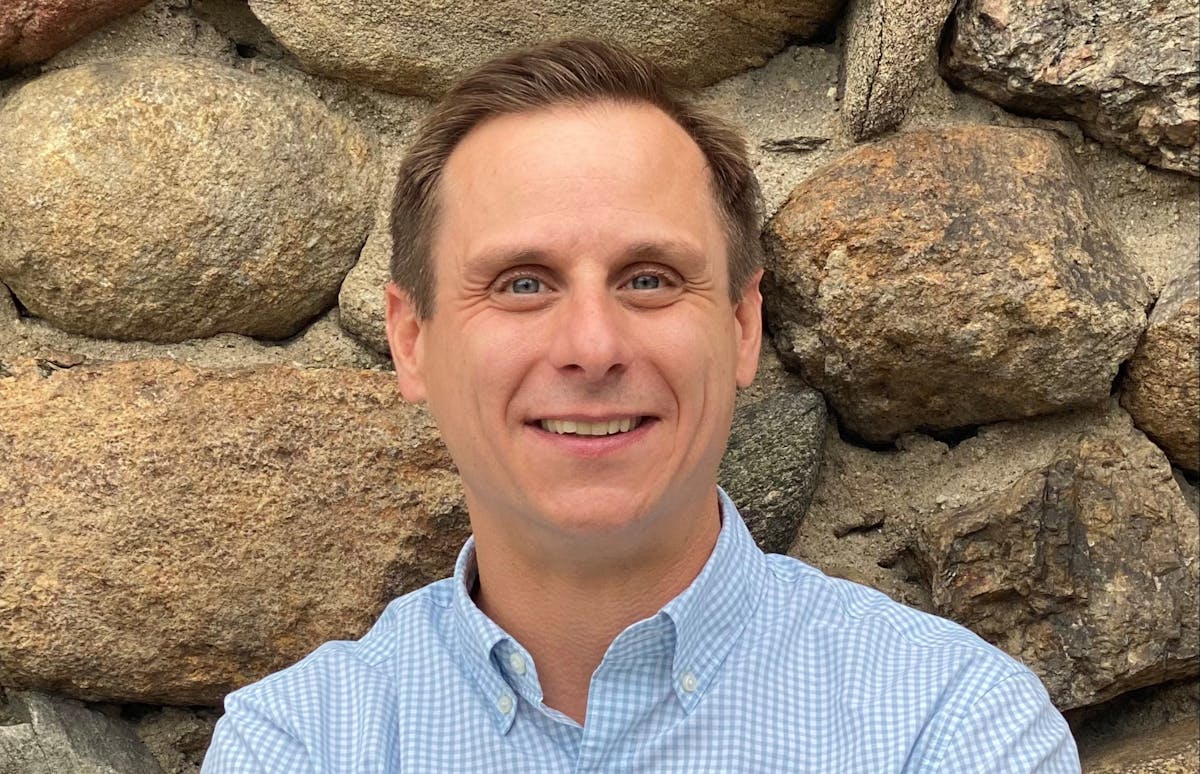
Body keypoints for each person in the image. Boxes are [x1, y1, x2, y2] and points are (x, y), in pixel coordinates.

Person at [202, 38, 1080, 772]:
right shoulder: (298, 744)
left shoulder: (948, 729)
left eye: (650, 279)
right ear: (411, 340)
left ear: (742, 325)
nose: (593, 346)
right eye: (521, 282)